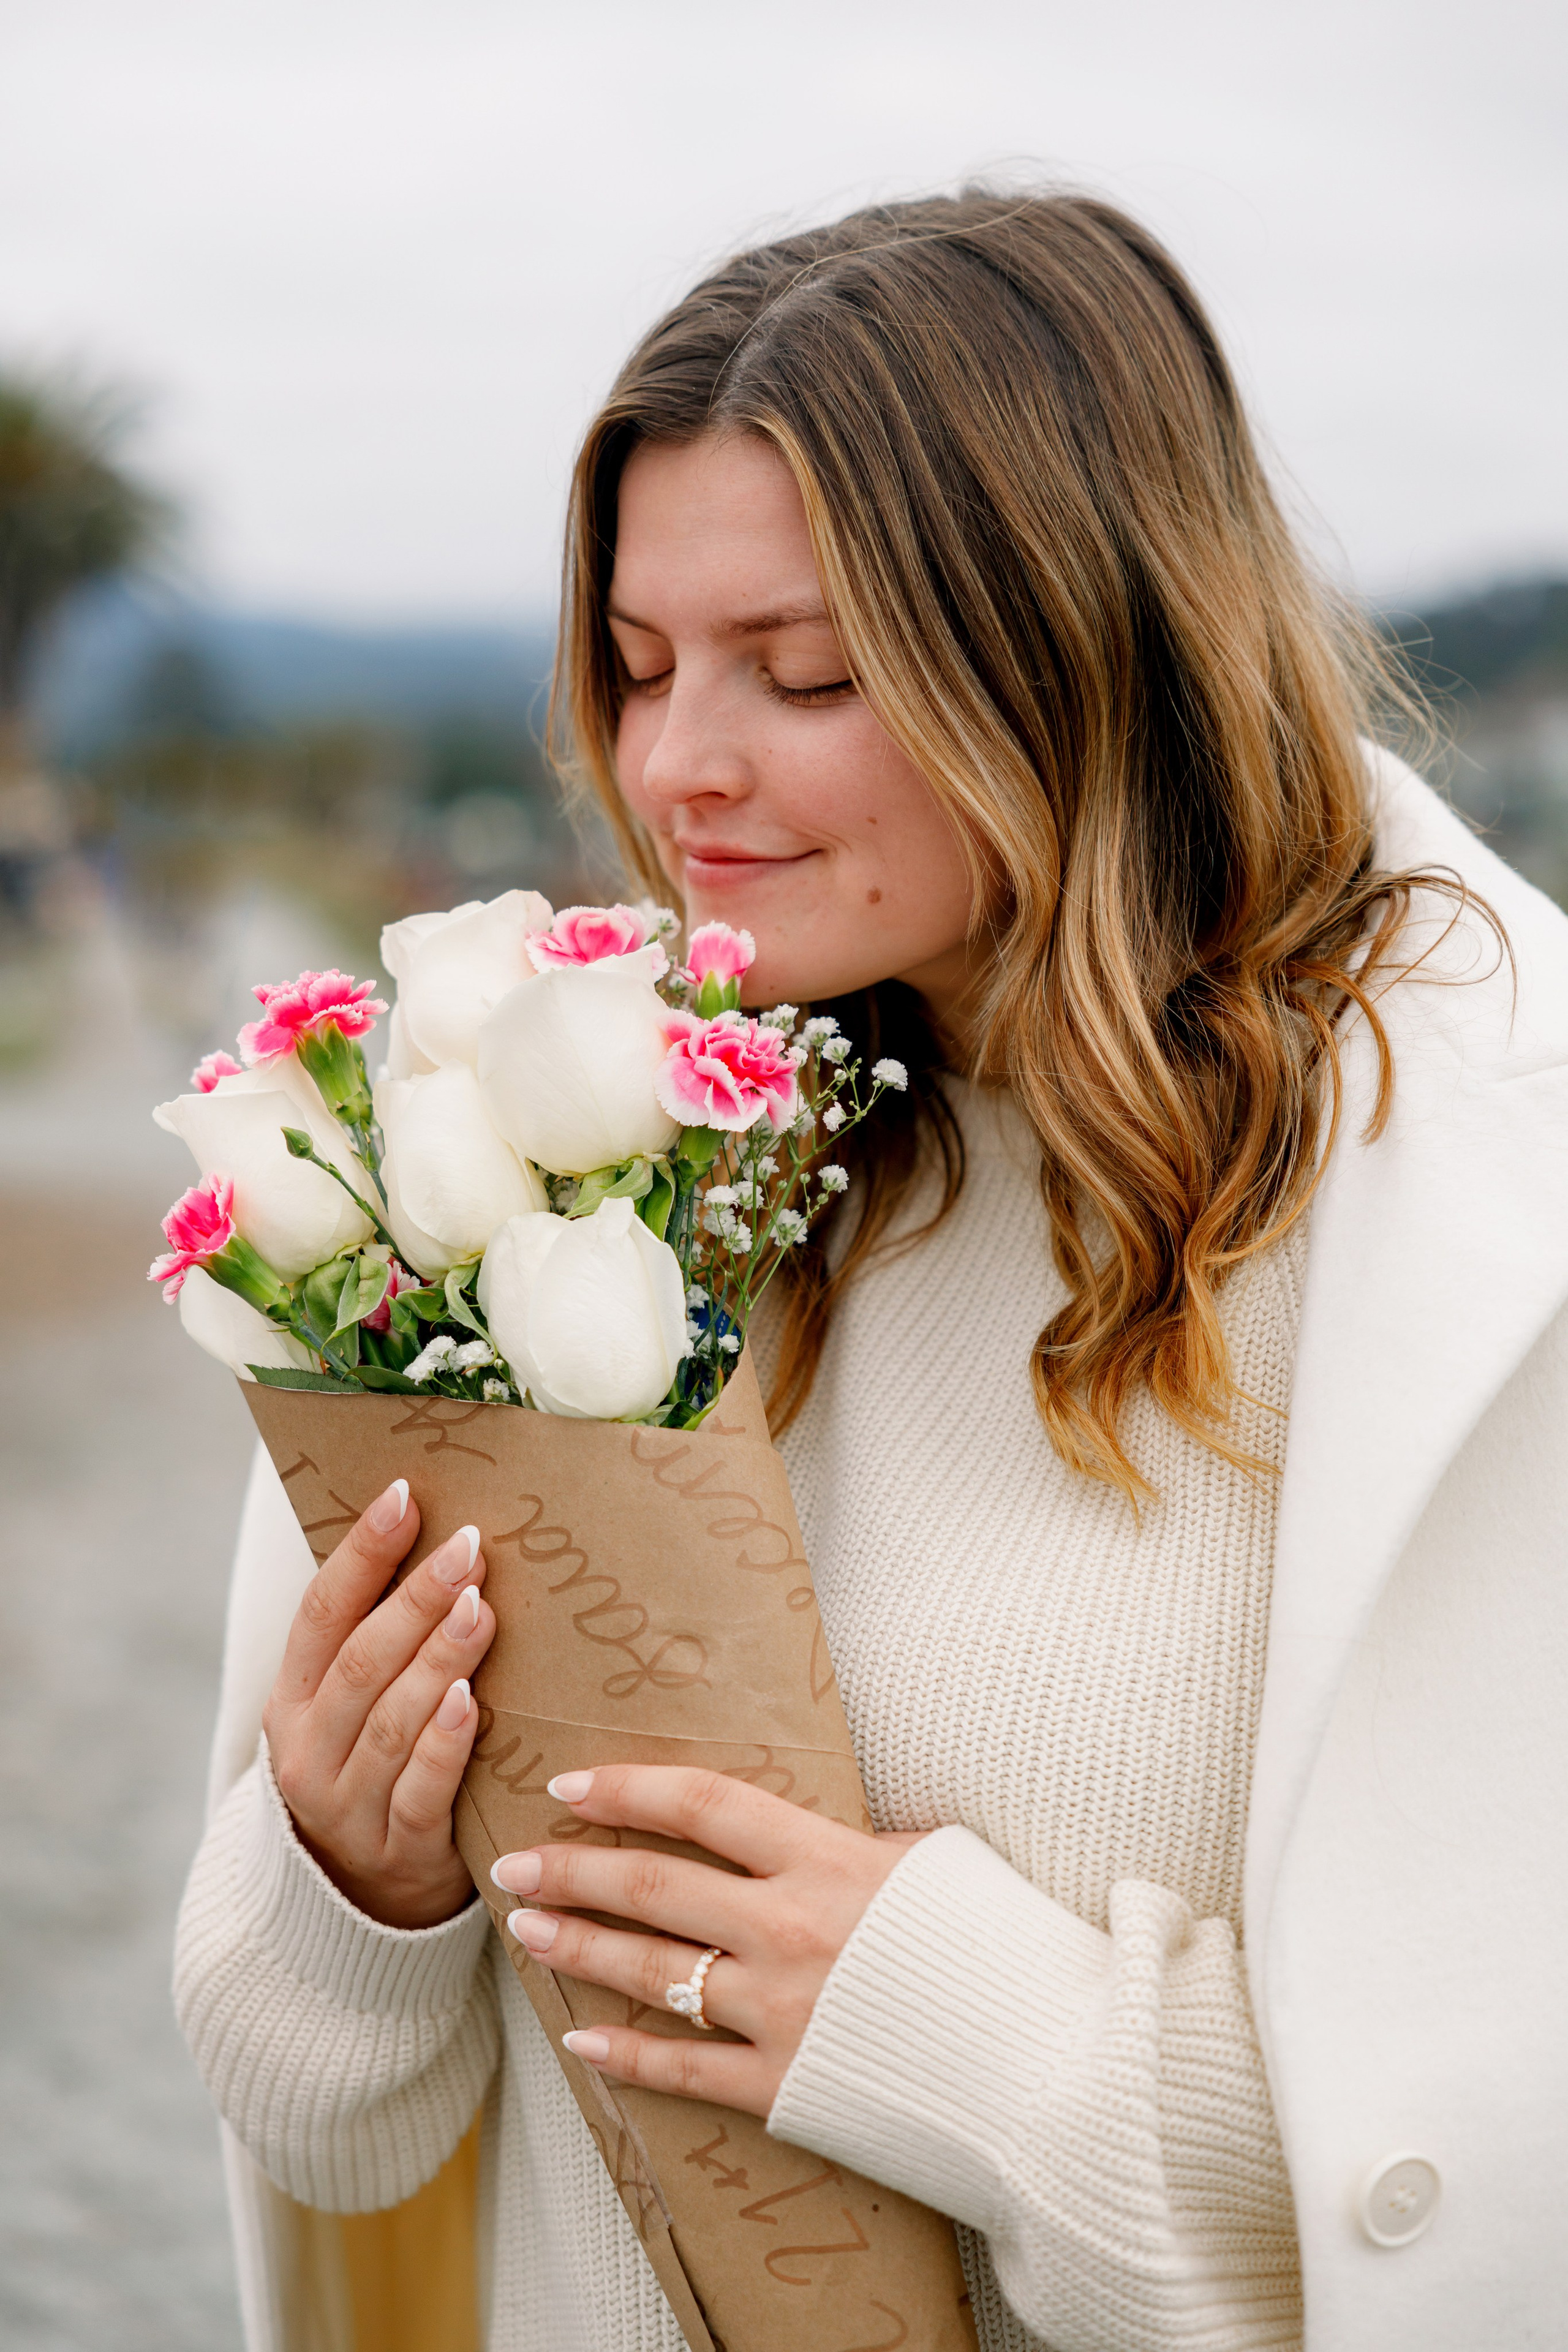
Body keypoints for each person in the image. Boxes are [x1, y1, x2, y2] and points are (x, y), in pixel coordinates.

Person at [175, 194, 1568, 2352]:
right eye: (639, 666)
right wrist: (355, 1880)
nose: (674, 769)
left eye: (805, 672)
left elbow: (1484, 2211)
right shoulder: (564, 1155)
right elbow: (333, 2154)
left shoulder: (1470, 1232)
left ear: (1080, 653)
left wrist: (953, 2029)